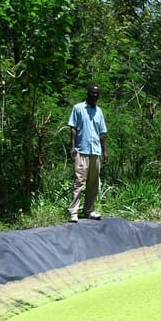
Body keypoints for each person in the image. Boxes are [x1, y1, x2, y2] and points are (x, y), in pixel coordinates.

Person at [67, 84, 109, 222]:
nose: (94, 95)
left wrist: (105, 152)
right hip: (81, 150)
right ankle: (73, 212)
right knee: (79, 182)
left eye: (97, 93)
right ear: (88, 93)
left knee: (93, 183)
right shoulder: (78, 108)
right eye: (92, 93)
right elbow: (73, 128)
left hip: (95, 151)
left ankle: (88, 210)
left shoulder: (99, 112)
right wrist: (72, 146)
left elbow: (102, 133)